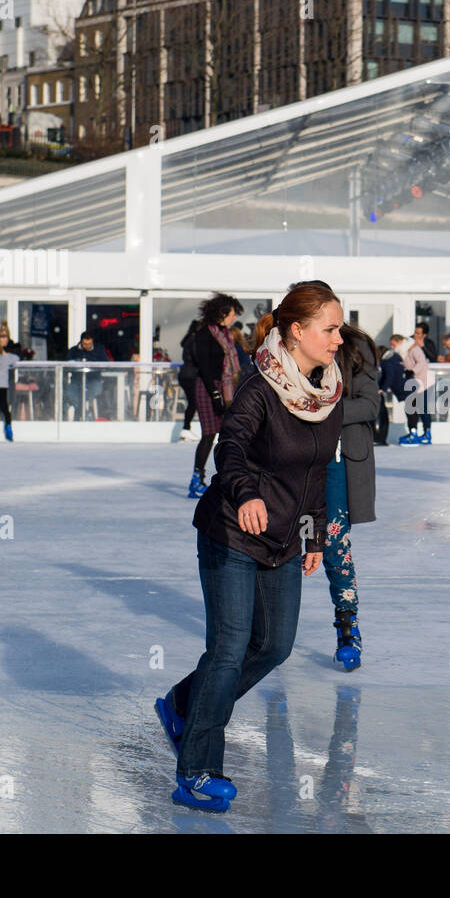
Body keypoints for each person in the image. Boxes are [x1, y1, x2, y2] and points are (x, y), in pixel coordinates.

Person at [153, 281, 344, 812]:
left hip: (284, 537)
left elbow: (318, 471)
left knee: (275, 646)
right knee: (230, 647)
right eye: (329, 329)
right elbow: (230, 448)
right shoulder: (262, 387)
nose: (337, 339)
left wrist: (314, 534)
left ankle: (183, 704)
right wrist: (246, 495)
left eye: (339, 328)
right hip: (233, 531)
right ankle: (196, 770)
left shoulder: (326, 391)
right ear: (297, 331)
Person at [322, 321, 378, 671]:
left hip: (337, 463)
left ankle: (347, 628)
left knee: (334, 545)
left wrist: (323, 410)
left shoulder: (354, 346)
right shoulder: (282, 347)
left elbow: (370, 405)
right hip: (291, 464)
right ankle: (269, 633)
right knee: (280, 547)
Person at [184, 294, 244, 498]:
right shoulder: (205, 335)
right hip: (208, 388)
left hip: (225, 387)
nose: (234, 317)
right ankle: (196, 479)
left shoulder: (225, 334)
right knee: (209, 434)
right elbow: (204, 366)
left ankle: (226, 476)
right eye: (233, 313)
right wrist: (216, 394)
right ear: (222, 313)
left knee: (226, 434)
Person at [399, 325, 434, 446]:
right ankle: (413, 432)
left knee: (423, 408)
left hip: (423, 381)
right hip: (412, 381)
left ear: (424, 335)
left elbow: (431, 357)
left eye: (419, 333)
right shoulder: (410, 342)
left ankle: (427, 433)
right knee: (411, 407)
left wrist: (422, 346)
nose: (415, 335)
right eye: (415, 332)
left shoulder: (428, 343)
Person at [65, 331, 109, 421]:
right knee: (70, 392)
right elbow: (67, 365)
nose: (87, 346)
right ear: (81, 342)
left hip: (93, 380)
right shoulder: (73, 350)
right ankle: (85, 414)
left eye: (90, 344)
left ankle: (80, 413)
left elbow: (106, 364)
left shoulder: (99, 349)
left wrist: (94, 362)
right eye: (85, 344)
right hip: (76, 381)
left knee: (95, 390)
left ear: (93, 342)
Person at [376, 335, 407, 446]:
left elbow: (389, 376)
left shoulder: (387, 361)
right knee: (412, 410)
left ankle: (413, 432)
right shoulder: (394, 356)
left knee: (412, 411)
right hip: (407, 386)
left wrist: (382, 389)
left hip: (403, 387)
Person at [178, 320, 201, 441]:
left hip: (185, 374)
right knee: (194, 402)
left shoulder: (188, 339)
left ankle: (186, 428)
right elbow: (197, 357)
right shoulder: (194, 340)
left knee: (193, 402)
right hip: (190, 375)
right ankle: (186, 428)